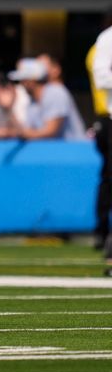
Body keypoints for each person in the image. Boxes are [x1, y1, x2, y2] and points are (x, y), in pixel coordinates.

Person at [9, 58, 84, 140]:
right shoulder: (32, 101)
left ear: (32, 80)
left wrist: (22, 133)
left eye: (23, 80)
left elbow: (51, 132)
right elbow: (25, 130)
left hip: (73, 151)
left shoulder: (56, 92)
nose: (21, 83)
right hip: (53, 151)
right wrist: (8, 108)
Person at [88, 27, 112, 251]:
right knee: (109, 177)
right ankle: (104, 233)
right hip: (108, 117)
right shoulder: (106, 39)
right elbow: (102, 78)